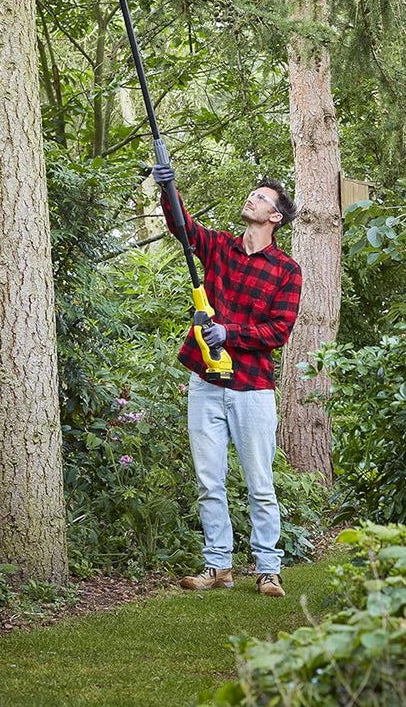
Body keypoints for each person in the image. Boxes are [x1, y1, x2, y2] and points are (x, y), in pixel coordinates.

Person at [152, 165, 301, 598]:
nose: (252, 200)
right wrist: (169, 187)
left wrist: (229, 333)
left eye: (261, 198)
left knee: (260, 482)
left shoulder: (286, 270)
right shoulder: (220, 248)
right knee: (209, 481)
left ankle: (268, 569)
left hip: (252, 388)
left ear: (275, 217)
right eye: (252, 195)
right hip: (206, 383)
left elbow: (279, 331)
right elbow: (183, 228)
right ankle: (218, 565)